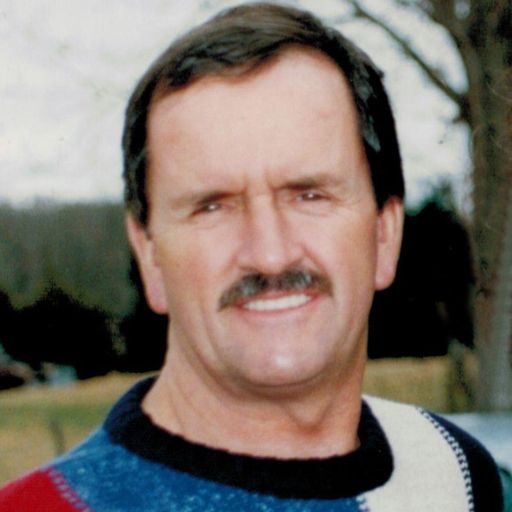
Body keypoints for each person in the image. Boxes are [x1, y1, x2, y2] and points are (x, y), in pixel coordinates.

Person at [0, 3, 504, 511]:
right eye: (212, 206)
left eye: (309, 195)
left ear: (385, 234)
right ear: (149, 254)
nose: (270, 254)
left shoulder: (459, 478)